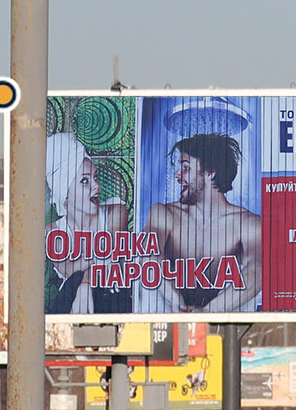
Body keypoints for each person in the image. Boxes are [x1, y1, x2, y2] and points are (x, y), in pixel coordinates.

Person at [142, 133, 261, 312]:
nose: (177, 175)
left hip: (223, 317)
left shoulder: (246, 223)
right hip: (169, 311)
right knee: (145, 279)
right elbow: (149, 256)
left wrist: (207, 313)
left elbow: (258, 271)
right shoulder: (164, 213)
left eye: (185, 168)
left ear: (210, 172)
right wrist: (178, 304)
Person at [45, 132, 129, 313]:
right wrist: (83, 280)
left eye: (96, 177)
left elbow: (108, 256)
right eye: (85, 181)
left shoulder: (116, 213)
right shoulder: (52, 231)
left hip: (111, 295)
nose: (96, 186)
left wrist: (86, 283)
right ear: (65, 193)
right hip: (72, 301)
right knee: (73, 282)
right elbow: (69, 271)